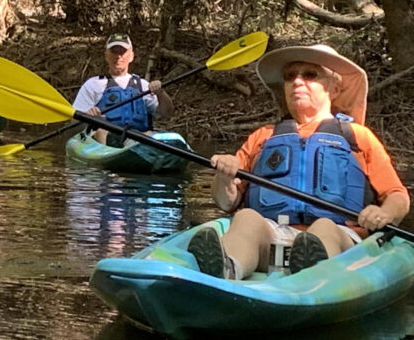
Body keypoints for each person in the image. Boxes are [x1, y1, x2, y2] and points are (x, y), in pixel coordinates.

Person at [188, 44, 410, 279]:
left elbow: (398, 196)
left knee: (323, 227)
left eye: (310, 75)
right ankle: (227, 267)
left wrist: (384, 213)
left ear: (334, 88)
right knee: (246, 218)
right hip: (274, 234)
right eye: (290, 76)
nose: (297, 81)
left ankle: (313, 273)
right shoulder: (262, 137)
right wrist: (224, 176)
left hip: (341, 238)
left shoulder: (357, 137)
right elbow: (226, 202)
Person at [72, 33, 174, 146]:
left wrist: (161, 93)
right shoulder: (93, 85)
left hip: (138, 139)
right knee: (101, 132)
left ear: (131, 56)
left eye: (122, 51)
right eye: (114, 51)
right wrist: (87, 116)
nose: (118, 56)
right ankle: (109, 156)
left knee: (149, 133)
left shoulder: (144, 86)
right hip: (104, 141)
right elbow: (73, 122)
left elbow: (167, 114)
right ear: (106, 55)